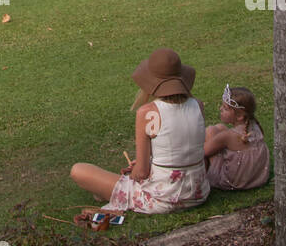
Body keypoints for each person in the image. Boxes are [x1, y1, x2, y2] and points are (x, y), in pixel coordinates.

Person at [71, 48, 210, 218]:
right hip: (198, 193)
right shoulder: (198, 105)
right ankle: (103, 192)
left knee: (78, 170)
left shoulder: (148, 112)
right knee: (103, 185)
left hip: (163, 199)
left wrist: (135, 170)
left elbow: (142, 173)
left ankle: (107, 193)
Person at [203, 84, 270, 190]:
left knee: (210, 131)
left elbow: (203, 152)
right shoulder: (254, 126)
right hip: (256, 178)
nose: (220, 109)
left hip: (232, 181)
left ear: (239, 116)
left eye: (225, 108)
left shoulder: (229, 136)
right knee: (219, 127)